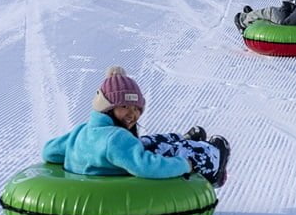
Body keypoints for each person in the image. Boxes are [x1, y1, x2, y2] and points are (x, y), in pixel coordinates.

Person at [42, 66, 231, 186]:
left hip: (119, 157)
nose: (132, 114)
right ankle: (213, 161)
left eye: (136, 108)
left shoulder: (81, 131)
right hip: (120, 183)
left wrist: (82, 157)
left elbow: (49, 151)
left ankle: (181, 138)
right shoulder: (116, 138)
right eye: (124, 107)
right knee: (177, 153)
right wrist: (183, 165)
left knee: (146, 141)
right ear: (108, 108)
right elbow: (146, 166)